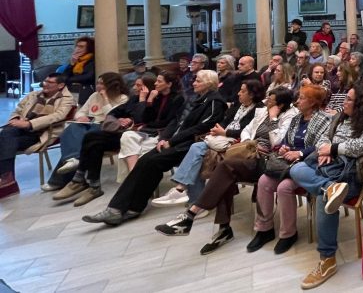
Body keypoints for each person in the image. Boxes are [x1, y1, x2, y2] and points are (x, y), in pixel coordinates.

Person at [153, 86, 297, 254]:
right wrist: (249, 143)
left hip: (267, 160)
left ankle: (193, 215)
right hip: (249, 153)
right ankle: (222, 229)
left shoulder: (290, 116)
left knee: (225, 167)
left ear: (280, 105)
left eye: (270, 101)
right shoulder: (262, 112)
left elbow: (277, 142)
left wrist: (273, 119)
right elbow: (247, 130)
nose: (266, 103)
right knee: (224, 173)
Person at [81, 69, 226, 226]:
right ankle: (128, 208)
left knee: (152, 162)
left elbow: (201, 127)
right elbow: (176, 121)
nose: (194, 83)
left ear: (209, 83)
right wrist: (164, 138)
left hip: (190, 144)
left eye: (198, 81)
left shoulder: (215, 102)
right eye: (195, 80)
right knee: (145, 161)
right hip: (176, 141)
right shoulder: (195, 98)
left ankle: (119, 209)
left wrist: (172, 141)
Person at [290, 83, 363, 289]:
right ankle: (329, 187)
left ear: (362, 104)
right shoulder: (341, 117)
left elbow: (361, 146)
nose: (344, 102)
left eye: (349, 100)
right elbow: (323, 137)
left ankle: (327, 259)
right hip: (329, 166)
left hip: (353, 173)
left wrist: (333, 149)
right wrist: (324, 150)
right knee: (296, 169)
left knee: (323, 199)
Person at [50, 70, 185, 205]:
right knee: (92, 139)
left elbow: (144, 119)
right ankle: (86, 182)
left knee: (95, 140)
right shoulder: (135, 98)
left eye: (139, 86)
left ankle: (86, 182)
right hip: (129, 132)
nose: (134, 88)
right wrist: (118, 119)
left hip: (143, 134)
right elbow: (115, 112)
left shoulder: (157, 98)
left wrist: (144, 101)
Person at [151, 79, 265, 207]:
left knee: (197, 152)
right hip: (221, 139)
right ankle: (188, 196)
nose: (238, 93)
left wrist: (225, 133)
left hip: (237, 145)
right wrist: (217, 130)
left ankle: (187, 195)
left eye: (242, 91)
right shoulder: (238, 105)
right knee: (196, 152)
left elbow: (250, 132)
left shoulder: (260, 109)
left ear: (252, 94)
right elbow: (225, 121)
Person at [249, 86, 333, 254]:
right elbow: (286, 140)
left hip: (307, 164)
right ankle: (264, 229)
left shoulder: (324, 119)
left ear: (313, 102)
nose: (297, 101)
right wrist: (284, 148)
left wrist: (299, 153)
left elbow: (321, 145)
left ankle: (288, 234)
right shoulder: (296, 118)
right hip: (287, 162)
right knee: (263, 181)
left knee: (284, 187)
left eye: (301, 98)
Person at [0, 73, 75, 198]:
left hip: (41, 132)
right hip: (21, 128)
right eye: (45, 81)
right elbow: (18, 109)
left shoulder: (67, 99)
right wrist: (15, 119)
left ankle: (7, 179)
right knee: (8, 135)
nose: (45, 84)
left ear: (60, 85)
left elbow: (58, 116)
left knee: (5, 138)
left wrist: (29, 124)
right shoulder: (34, 94)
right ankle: (7, 179)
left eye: (50, 83)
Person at [48, 72, 128, 186]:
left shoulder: (123, 98)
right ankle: (73, 161)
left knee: (81, 143)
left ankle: (58, 180)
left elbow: (111, 115)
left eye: (102, 84)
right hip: (89, 123)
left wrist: (105, 98)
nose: (98, 86)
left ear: (111, 85)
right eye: (97, 83)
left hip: (105, 127)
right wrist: (80, 117)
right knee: (70, 129)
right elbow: (81, 111)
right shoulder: (94, 95)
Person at [57, 36, 96, 103]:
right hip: (72, 91)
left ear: (89, 49)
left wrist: (68, 79)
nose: (77, 49)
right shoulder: (77, 60)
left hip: (86, 93)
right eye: (77, 46)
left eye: (81, 47)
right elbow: (63, 77)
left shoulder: (92, 60)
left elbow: (88, 77)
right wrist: (72, 64)